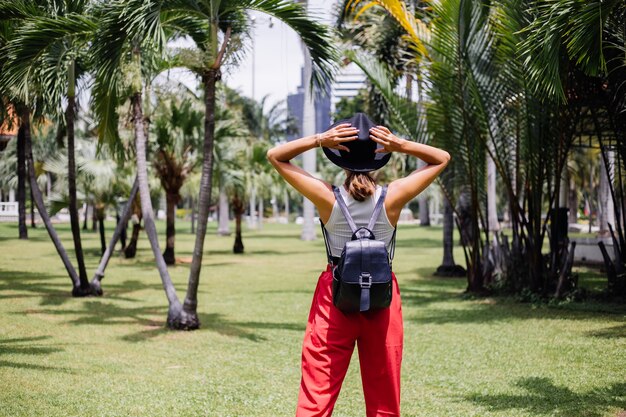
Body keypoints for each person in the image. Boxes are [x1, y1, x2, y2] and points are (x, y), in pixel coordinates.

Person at [266, 113, 450, 417]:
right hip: (381, 297)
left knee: (317, 393)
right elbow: (441, 158)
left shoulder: (328, 197)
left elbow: (276, 156)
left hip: (335, 296)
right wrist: (400, 145)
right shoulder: (394, 196)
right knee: (384, 396)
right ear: (379, 160)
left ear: (341, 159)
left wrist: (318, 140)